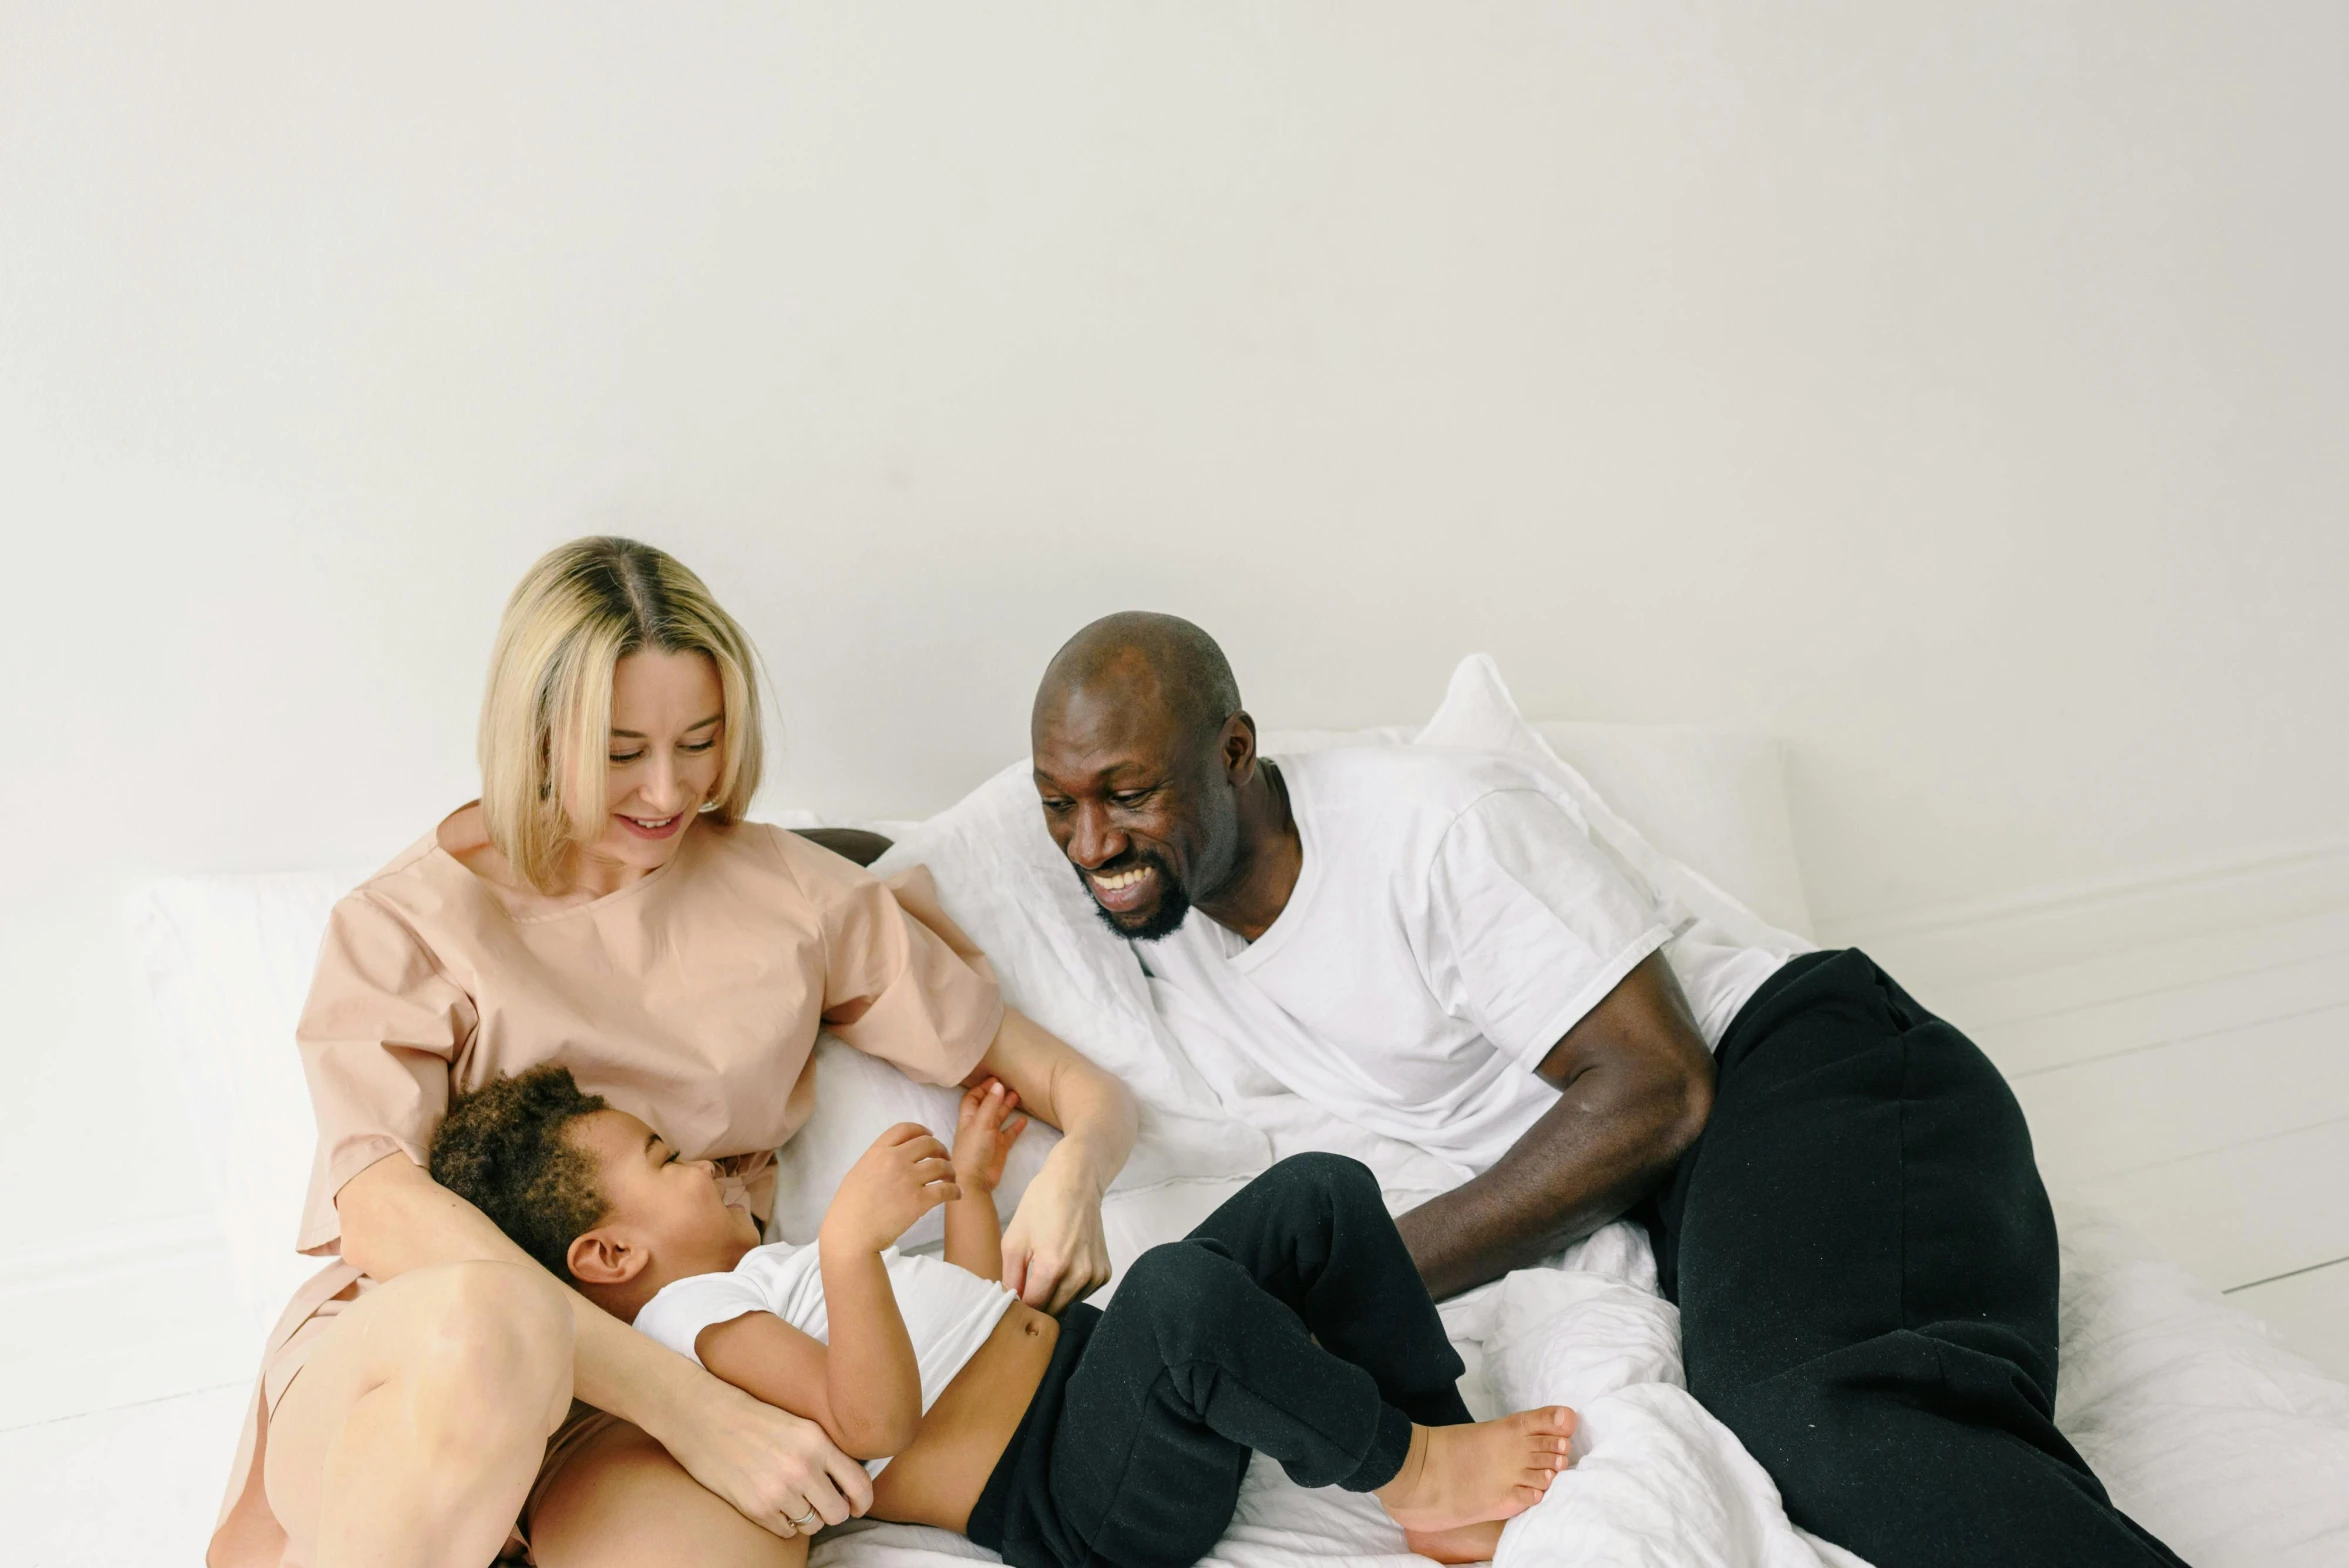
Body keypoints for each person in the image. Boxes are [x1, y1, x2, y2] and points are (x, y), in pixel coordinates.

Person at [1025, 611, 2187, 1568]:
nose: (1090, 842)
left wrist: (1359, 1288)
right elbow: (882, 891)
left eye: (1127, 793)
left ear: (1232, 752)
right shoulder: (1160, 910)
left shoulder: (1431, 829)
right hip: (1689, 1189)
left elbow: (1656, 1087)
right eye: (1058, 804)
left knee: (1813, 1416)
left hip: (1806, 1070)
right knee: (1827, 1445)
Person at [209, 537, 1139, 1568]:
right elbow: (381, 1207)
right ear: (536, 731)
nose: (667, 790)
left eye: (698, 740)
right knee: (487, 1321)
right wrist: (692, 1410)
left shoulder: (790, 893)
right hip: (436, 1358)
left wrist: (1077, 1171)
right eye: (619, 751)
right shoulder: (407, 922)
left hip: (664, 1370)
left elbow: (1071, 1084)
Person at [428, 1063, 1577, 1568]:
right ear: (610, 1252)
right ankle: (1408, 1465)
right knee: (1179, 1291)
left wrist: (974, 1191)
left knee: (1316, 1190)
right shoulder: (690, 1324)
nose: (707, 1164)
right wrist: (847, 1241)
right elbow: (867, 1417)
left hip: (1095, 1382)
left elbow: (973, 1320)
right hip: (1085, 1500)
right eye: (665, 1155)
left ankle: (1434, 1431)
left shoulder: (757, 1271)